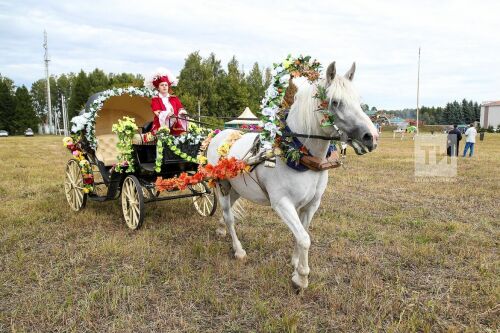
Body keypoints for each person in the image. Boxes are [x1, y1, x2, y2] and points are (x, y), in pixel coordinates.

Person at [145, 68, 187, 135]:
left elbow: (180, 108)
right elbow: (158, 113)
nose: (164, 87)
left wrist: (183, 113)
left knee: (185, 134)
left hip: (175, 125)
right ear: (158, 88)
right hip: (161, 125)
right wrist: (168, 114)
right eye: (162, 85)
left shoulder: (174, 98)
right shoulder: (155, 99)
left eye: (166, 85)